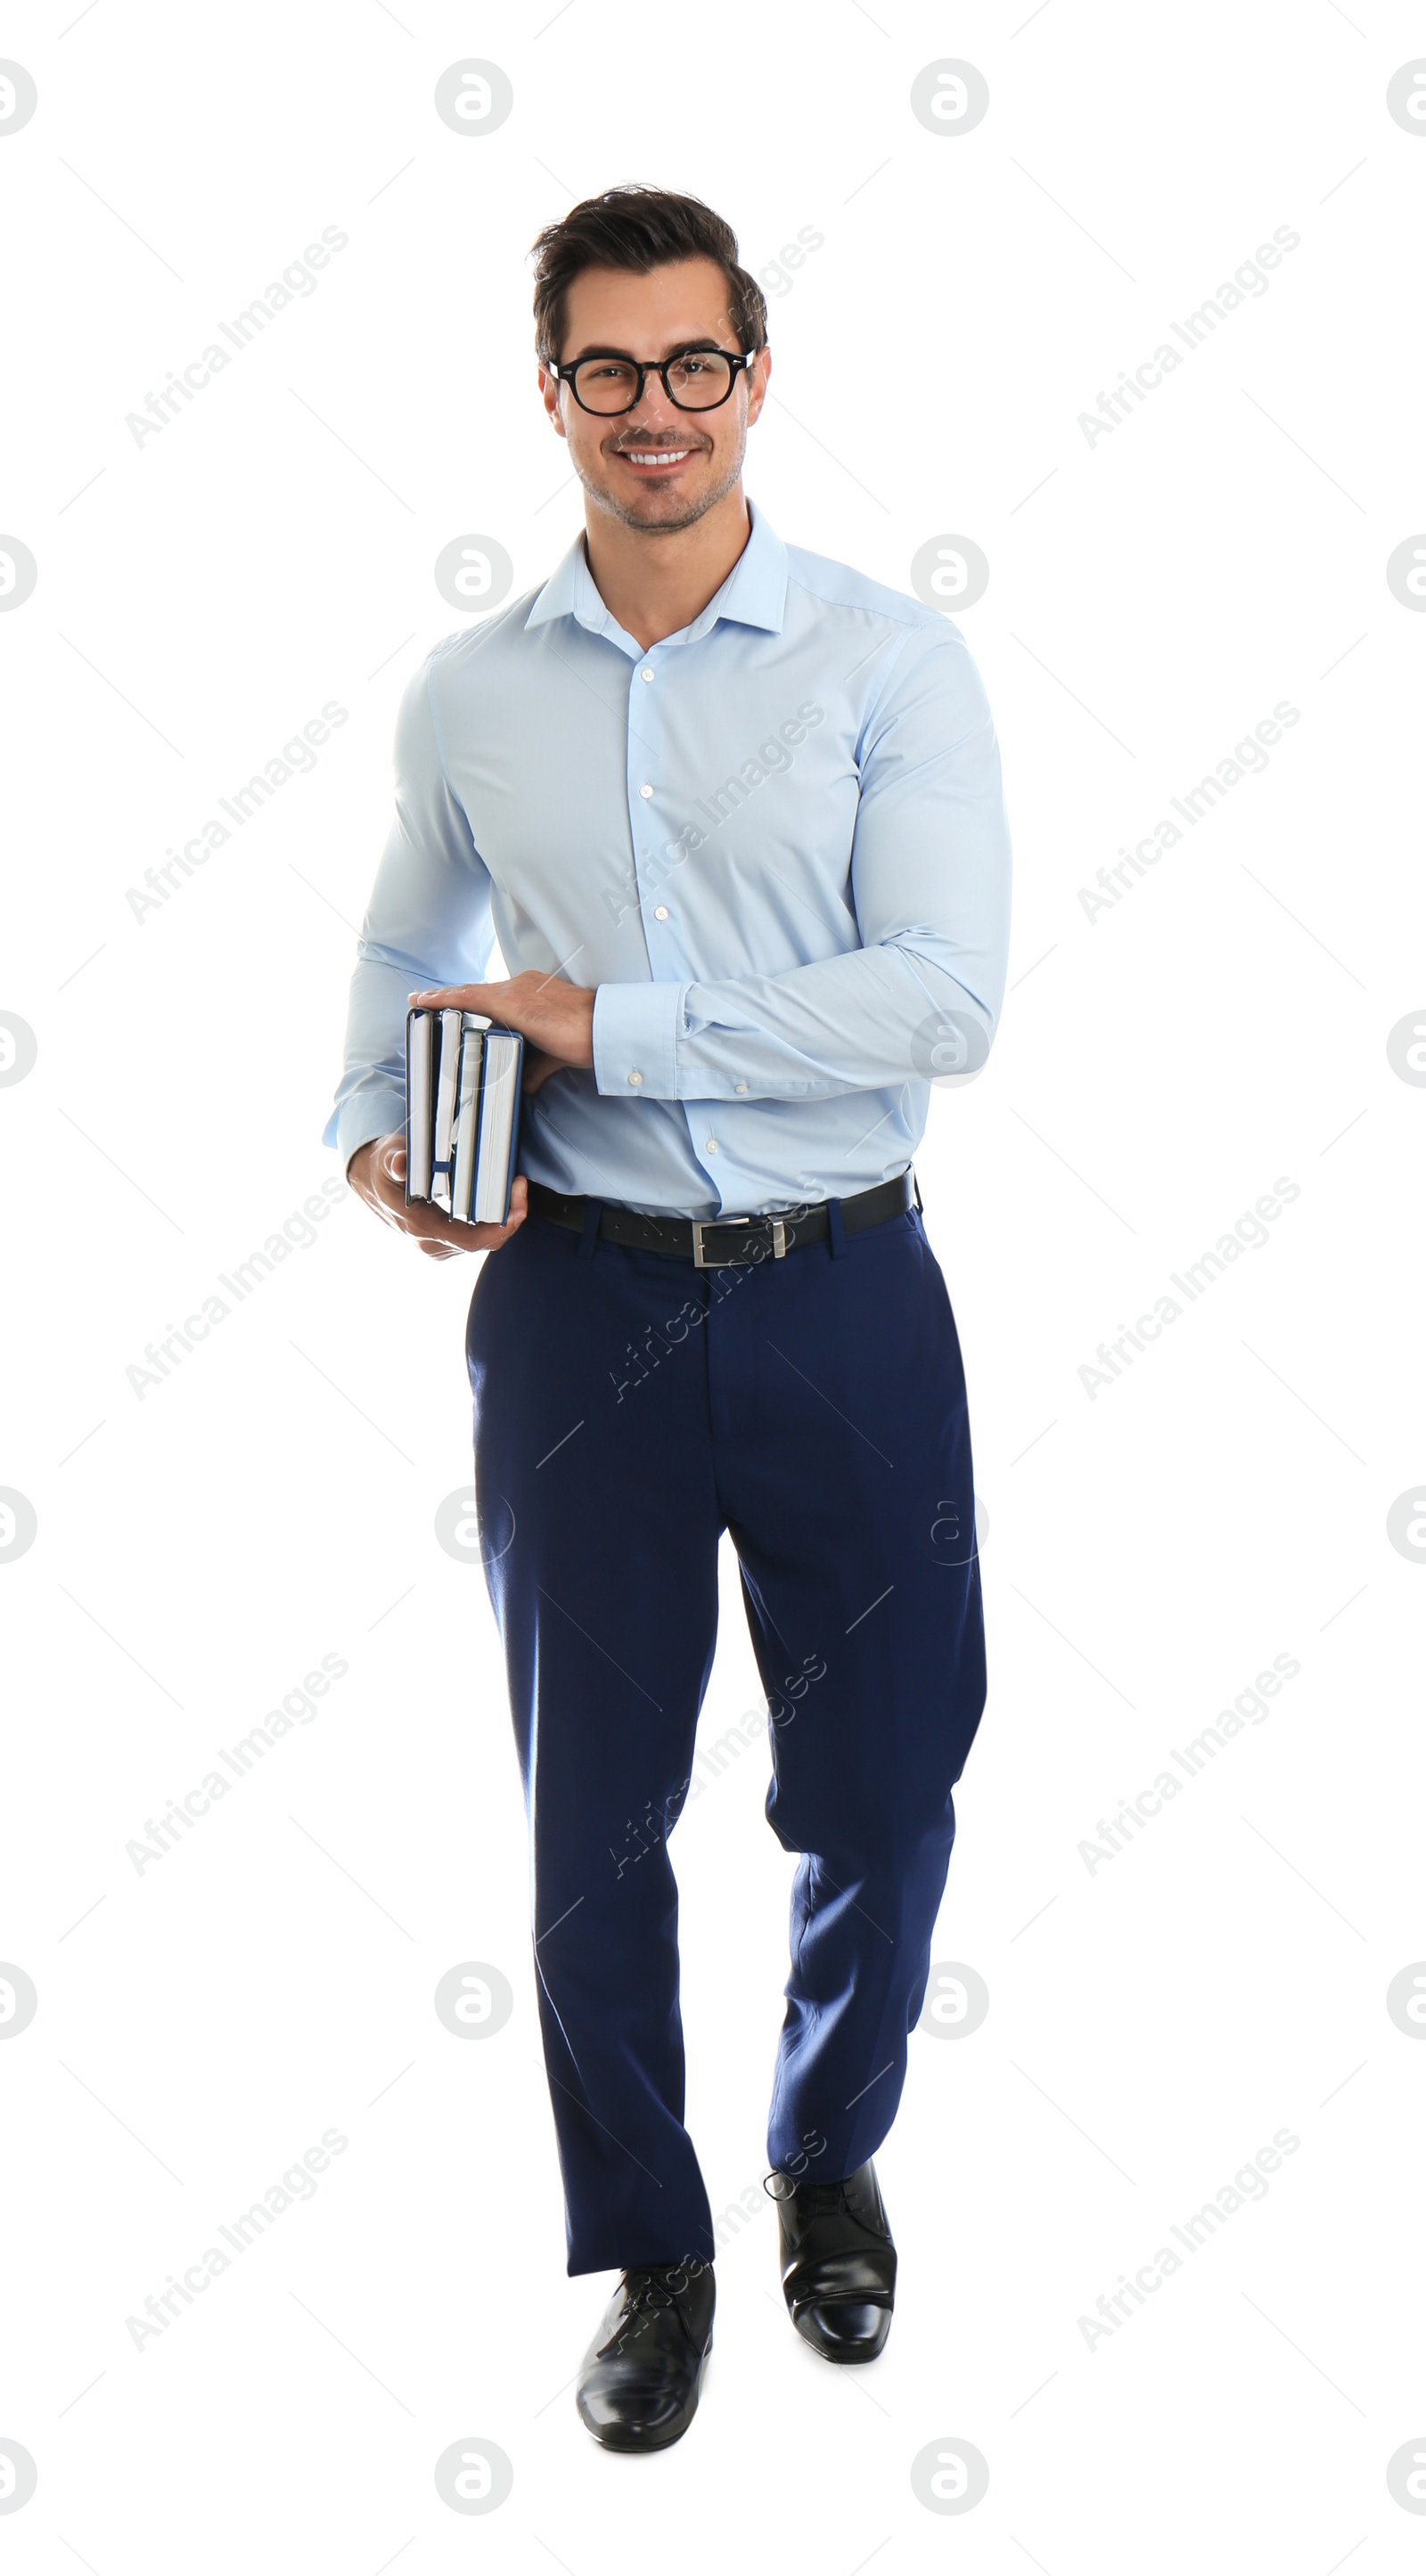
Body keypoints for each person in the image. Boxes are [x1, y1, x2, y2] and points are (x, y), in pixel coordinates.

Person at [325, 184, 1012, 2453]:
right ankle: (651, 2246)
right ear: (550, 394)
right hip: (573, 1318)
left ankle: (825, 2152)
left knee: (885, 1784)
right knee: (590, 1826)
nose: (651, 410)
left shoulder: (885, 664)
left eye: (689, 363)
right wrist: (372, 1125)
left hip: (845, 1298)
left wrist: (593, 1025)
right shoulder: (469, 689)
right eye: (603, 370)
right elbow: (402, 943)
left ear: (753, 373)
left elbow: (934, 1002)